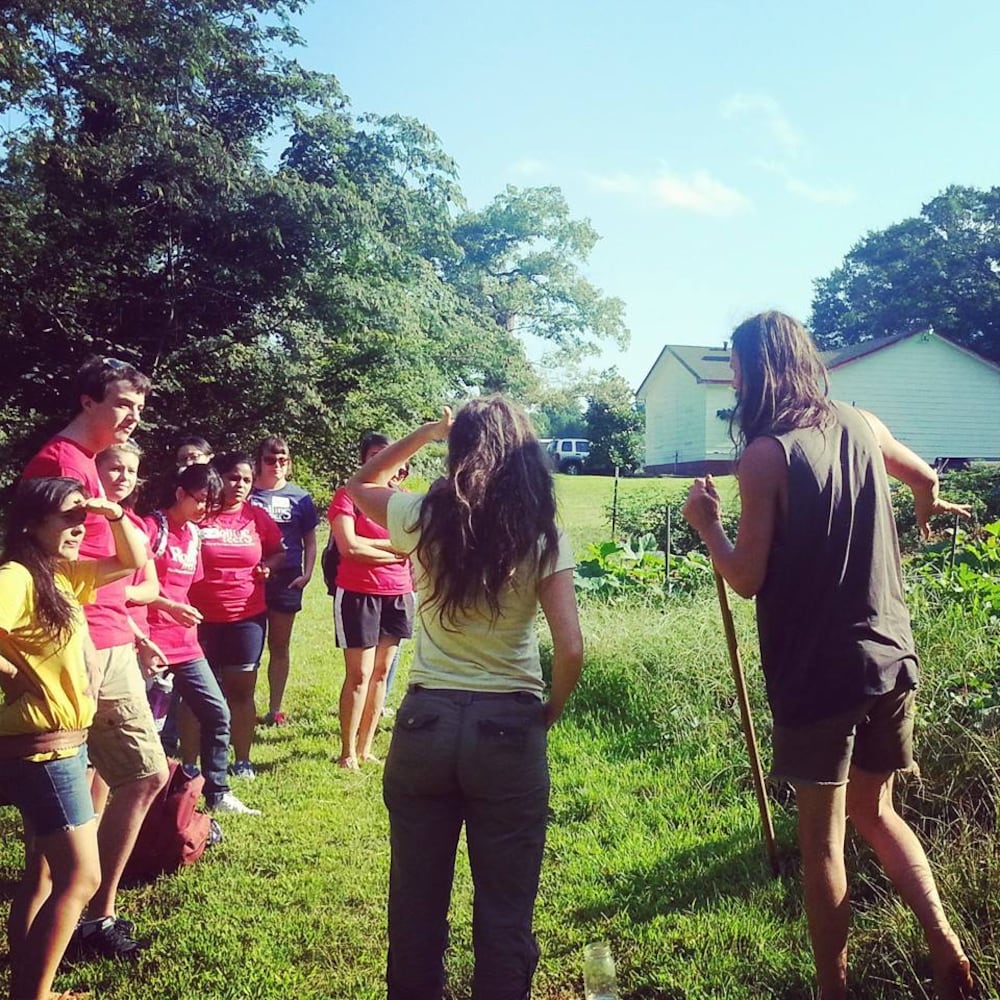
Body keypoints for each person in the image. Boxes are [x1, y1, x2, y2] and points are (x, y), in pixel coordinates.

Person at [682, 311, 976, 1000]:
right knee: (878, 813)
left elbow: (747, 578)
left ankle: (832, 989)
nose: (733, 377)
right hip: (890, 659)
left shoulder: (765, 453)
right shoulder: (862, 424)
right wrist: (928, 505)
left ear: (758, 369)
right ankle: (945, 942)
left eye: (737, 365)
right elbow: (921, 474)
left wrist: (707, 527)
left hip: (819, 674)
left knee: (823, 842)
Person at [345, 397, 584, 1000]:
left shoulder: (426, 515)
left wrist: (427, 430)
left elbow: (357, 486)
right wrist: (547, 711)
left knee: (416, 903)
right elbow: (572, 649)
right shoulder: (542, 531)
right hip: (509, 724)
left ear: (459, 449)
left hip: (425, 722)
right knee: (506, 907)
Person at [22, 356, 169, 959]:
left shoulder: (85, 464)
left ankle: (64, 926)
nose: (132, 417)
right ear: (87, 401)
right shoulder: (62, 463)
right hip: (85, 641)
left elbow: (120, 564)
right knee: (140, 776)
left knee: (94, 782)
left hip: (110, 634)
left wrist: (134, 625)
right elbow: (46, 566)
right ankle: (87, 917)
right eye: (120, 403)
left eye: (139, 407)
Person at [0, 477, 148, 1000]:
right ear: (29, 524)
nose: (77, 526)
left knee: (43, 874)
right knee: (81, 878)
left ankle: (27, 983)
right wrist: (10, 674)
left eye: (80, 517)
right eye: (67, 516)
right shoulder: (17, 577)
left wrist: (110, 513)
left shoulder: (60, 577)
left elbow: (131, 560)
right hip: (45, 749)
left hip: (62, 742)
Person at [145, 463, 259, 814]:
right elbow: (128, 587)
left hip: (186, 642)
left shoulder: (194, 535)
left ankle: (218, 791)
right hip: (149, 642)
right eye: (200, 501)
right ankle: (142, 794)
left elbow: (188, 588)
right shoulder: (152, 528)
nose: (204, 511)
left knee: (217, 712)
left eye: (211, 504)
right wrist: (162, 610)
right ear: (179, 493)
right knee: (147, 726)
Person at [189, 452, 284, 780]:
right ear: (218, 478)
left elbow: (278, 552)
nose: (239, 485)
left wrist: (267, 568)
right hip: (199, 617)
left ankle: (242, 759)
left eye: (246, 479)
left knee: (241, 691)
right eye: (232, 477)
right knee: (193, 694)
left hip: (246, 616)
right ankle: (189, 764)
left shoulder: (256, 517)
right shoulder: (198, 515)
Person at [329, 433, 414, 770]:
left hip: (398, 593)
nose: (387, 463)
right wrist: (395, 551)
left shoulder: (405, 501)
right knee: (360, 674)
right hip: (357, 592)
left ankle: (366, 748)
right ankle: (347, 752)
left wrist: (379, 549)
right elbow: (348, 546)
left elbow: (412, 547)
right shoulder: (348, 495)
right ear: (366, 461)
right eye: (377, 455)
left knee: (381, 673)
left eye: (393, 457)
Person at [250, 435, 319, 726]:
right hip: (250, 578)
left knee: (279, 646)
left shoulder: (300, 497)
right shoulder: (246, 493)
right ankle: (242, 707)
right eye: (270, 459)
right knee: (248, 649)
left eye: (282, 460)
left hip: (287, 577)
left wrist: (307, 573)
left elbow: (310, 539)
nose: (276, 465)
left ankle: (275, 708)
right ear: (259, 462)